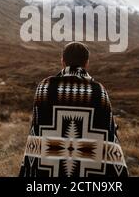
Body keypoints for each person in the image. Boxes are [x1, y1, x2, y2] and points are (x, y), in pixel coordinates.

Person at [19, 42, 129, 177]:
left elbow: (36, 130)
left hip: (48, 166)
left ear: (62, 62)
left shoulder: (45, 87)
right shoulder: (98, 90)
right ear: (86, 63)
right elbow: (109, 132)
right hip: (89, 168)